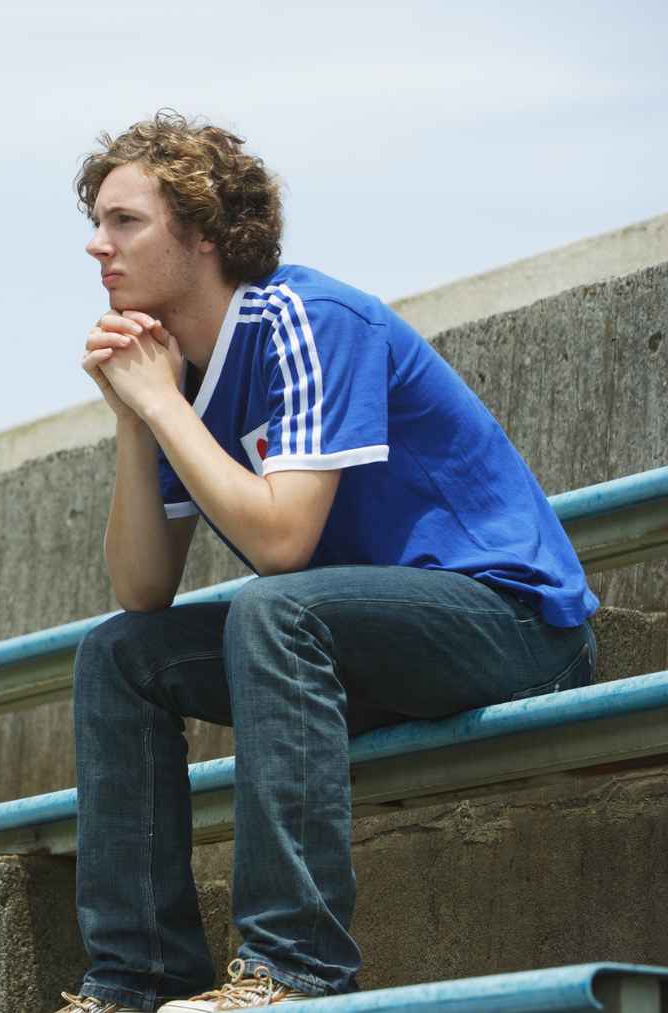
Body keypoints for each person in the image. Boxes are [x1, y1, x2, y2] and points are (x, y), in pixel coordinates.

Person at [53, 112, 598, 1013]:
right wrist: (135, 415)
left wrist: (162, 405)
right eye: (96, 221)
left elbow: (280, 543)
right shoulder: (178, 374)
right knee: (120, 656)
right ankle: (134, 978)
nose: (95, 245)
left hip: (510, 625)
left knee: (277, 606)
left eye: (125, 222)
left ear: (206, 231)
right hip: (353, 650)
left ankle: (292, 970)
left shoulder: (308, 317)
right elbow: (142, 589)